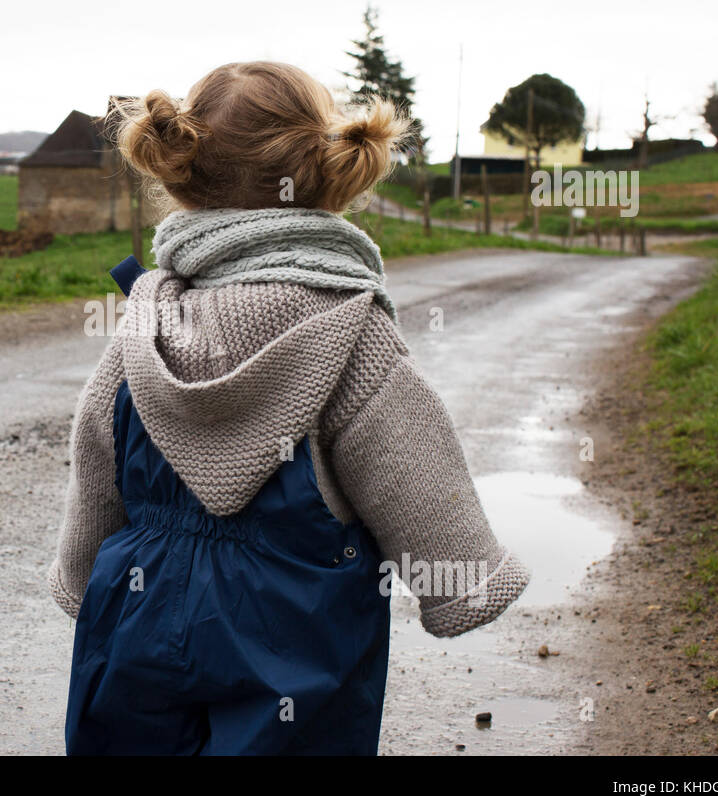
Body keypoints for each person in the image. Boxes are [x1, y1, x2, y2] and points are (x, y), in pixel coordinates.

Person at [48, 61, 529, 755]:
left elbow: (96, 462)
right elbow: (414, 466)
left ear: (182, 171)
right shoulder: (351, 332)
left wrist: (80, 571)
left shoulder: (142, 328)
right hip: (296, 644)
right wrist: (460, 573)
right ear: (326, 170)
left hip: (137, 622)